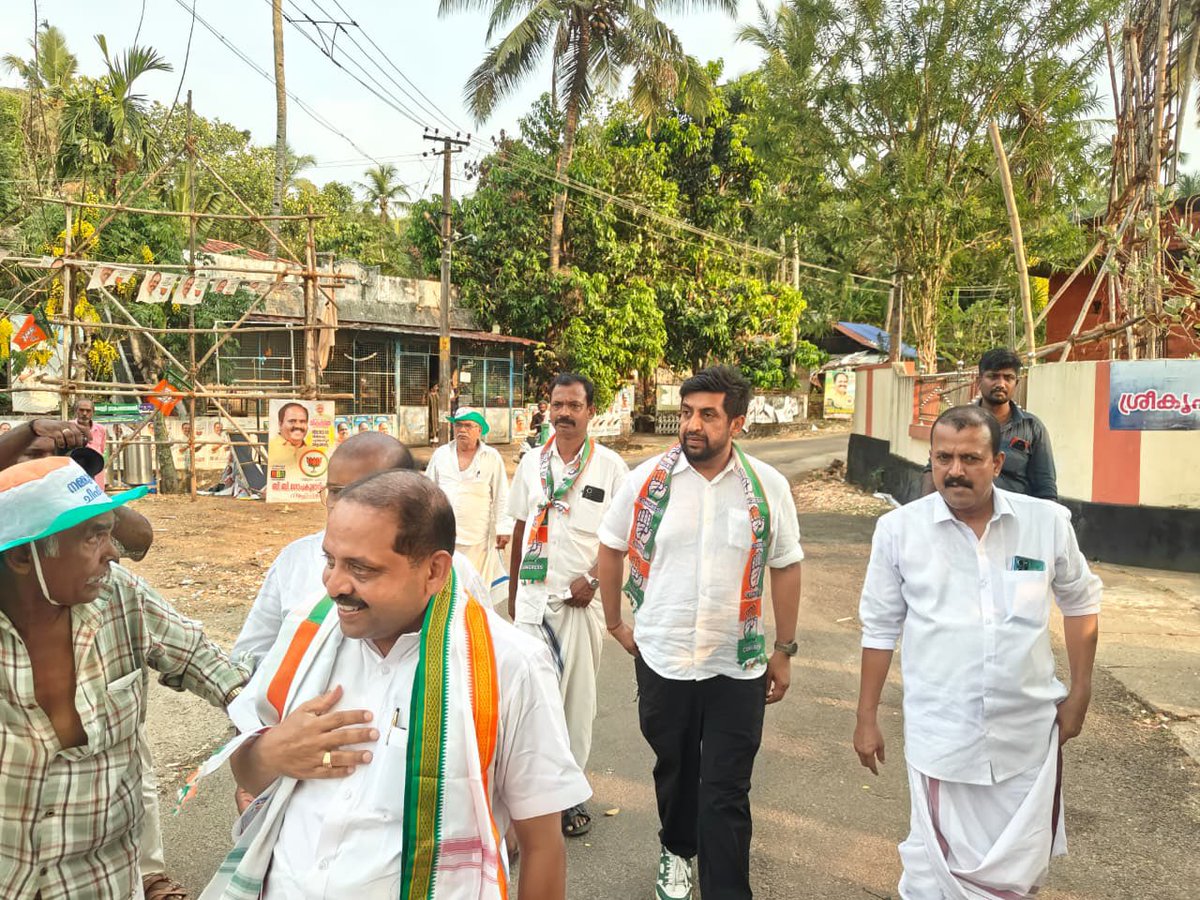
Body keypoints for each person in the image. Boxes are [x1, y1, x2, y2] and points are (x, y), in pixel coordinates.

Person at [201, 471, 589, 900]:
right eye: (330, 560)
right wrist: (272, 752)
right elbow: (249, 776)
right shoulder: (305, 634)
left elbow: (542, 845)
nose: (333, 586)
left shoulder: (511, 665)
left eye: (361, 569)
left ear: (434, 571)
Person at [855, 404, 1101, 899]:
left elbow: (1081, 599)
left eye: (970, 458)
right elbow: (880, 626)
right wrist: (866, 716)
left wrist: (1081, 691)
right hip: (944, 735)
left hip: (1026, 737)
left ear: (997, 462)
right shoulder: (899, 531)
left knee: (1018, 870)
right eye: (943, 457)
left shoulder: (1046, 523)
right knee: (935, 872)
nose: (955, 470)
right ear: (931, 459)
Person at [597, 365, 804, 900]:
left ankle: (727, 890)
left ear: (736, 422)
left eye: (707, 415)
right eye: (687, 412)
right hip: (663, 656)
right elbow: (611, 544)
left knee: (726, 789)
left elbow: (786, 564)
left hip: (739, 662)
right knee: (676, 770)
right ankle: (676, 847)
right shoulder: (647, 481)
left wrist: (784, 649)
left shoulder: (767, 488)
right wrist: (615, 621)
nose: (692, 425)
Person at [0, 457, 248, 900]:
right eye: (93, 535)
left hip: (103, 881)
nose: (113, 552)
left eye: (109, 531)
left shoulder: (122, 598)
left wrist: (269, 739)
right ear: (22, 556)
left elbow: (216, 670)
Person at [507, 373, 628, 838]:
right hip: (533, 602)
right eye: (558, 404)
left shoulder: (612, 467)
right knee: (531, 702)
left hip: (581, 603)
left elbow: (622, 538)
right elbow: (520, 527)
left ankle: (571, 795)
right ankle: (530, 791)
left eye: (574, 405)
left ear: (590, 411)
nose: (564, 413)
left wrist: (595, 579)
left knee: (576, 702)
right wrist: (515, 594)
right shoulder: (531, 463)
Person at [231, 432, 417, 670]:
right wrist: (280, 706)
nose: (343, 506)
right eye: (336, 492)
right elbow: (248, 660)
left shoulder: (441, 571)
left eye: (362, 494)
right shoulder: (295, 560)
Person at [921, 348, 1057, 500]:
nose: (1001, 383)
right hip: (962, 513)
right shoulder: (957, 423)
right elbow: (933, 469)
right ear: (979, 381)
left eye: (1008, 378)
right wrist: (925, 513)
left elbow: (1045, 486)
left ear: (1016, 383)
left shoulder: (1032, 428)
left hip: (1015, 517)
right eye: (993, 376)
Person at [425, 407, 513, 593]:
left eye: (467, 426)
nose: (462, 430)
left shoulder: (491, 457)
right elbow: (427, 490)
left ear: (479, 430)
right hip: (444, 534)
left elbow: (501, 494)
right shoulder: (441, 454)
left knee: (474, 588)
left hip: (477, 538)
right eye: (458, 425)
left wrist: (504, 528)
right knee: (444, 587)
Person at [74, 397, 107, 490]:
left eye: (88, 411)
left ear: (93, 412)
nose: (84, 414)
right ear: (76, 411)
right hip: (75, 473)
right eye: (81, 410)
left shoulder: (101, 429)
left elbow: (102, 449)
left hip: (95, 471)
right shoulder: (68, 427)